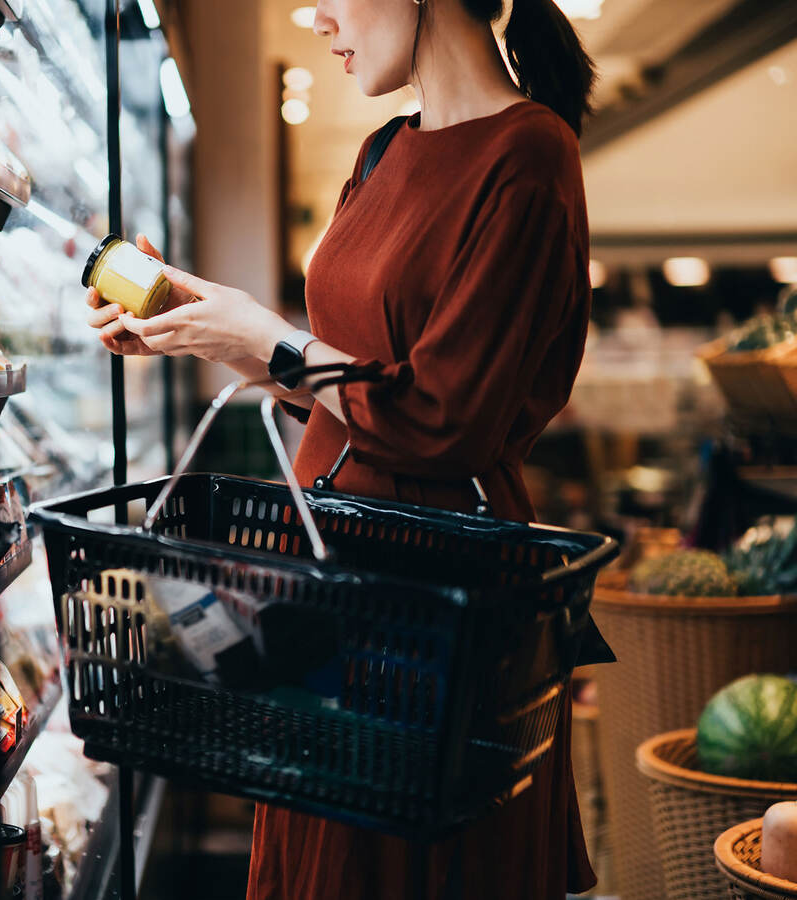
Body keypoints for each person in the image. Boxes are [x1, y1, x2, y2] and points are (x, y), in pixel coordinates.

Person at [86, 0, 600, 894]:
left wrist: (270, 335)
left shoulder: (529, 153)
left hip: (433, 603)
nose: (315, 15)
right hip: (331, 582)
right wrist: (220, 333)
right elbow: (359, 391)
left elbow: (444, 419)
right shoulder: (381, 152)